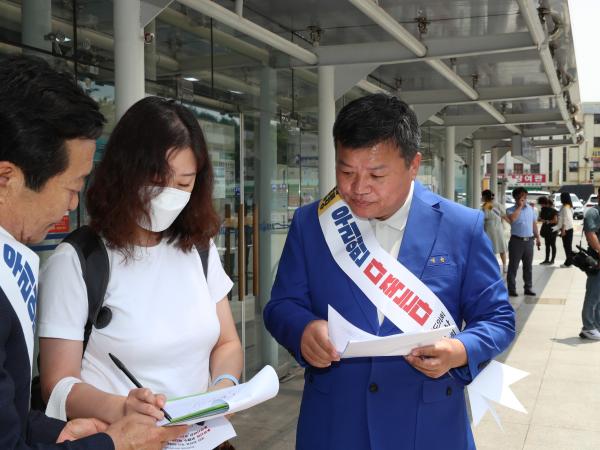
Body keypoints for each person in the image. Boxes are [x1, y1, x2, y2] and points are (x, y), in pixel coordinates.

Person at [263, 94, 515, 450]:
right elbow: (280, 305)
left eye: (377, 174)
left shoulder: (461, 226)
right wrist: (303, 330)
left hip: (429, 427)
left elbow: (498, 319)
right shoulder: (312, 223)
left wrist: (458, 350)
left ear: (413, 165)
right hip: (335, 425)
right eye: (346, 172)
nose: (358, 188)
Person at [0, 55, 185, 449]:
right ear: (6, 179)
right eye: (70, 187)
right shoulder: (72, 260)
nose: (71, 205)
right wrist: (116, 444)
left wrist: (57, 432)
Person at [37, 97, 243, 437]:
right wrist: (122, 408)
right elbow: (57, 385)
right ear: (124, 173)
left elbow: (228, 343)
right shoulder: (79, 260)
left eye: (183, 183)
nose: (168, 195)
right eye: (157, 180)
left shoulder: (198, 248)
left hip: (200, 440)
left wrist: (222, 388)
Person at [506, 187, 541, 297]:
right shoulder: (510, 210)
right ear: (516, 198)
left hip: (529, 241)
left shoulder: (531, 209)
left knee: (528, 266)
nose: (524, 199)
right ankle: (512, 289)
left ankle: (528, 287)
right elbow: (512, 219)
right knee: (513, 267)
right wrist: (520, 207)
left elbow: (534, 224)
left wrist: (538, 237)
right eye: (521, 197)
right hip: (516, 241)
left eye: (525, 196)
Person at [581, 186, 600, 340]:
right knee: (593, 293)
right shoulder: (594, 212)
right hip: (596, 259)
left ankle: (597, 325)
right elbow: (590, 233)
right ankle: (588, 327)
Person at [481, 189, 508, 273]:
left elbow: (483, 217)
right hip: (498, 227)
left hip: (489, 227)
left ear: (485, 197)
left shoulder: (485, 206)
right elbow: (504, 214)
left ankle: (494, 267)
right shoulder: (497, 205)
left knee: (492, 248)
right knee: (501, 248)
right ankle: (504, 266)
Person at [538, 196, 558, 265]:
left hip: (553, 230)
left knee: (552, 245)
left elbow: (555, 220)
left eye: (542, 204)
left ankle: (552, 260)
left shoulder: (553, 211)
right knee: (547, 245)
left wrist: (547, 221)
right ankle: (547, 259)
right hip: (546, 230)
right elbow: (540, 219)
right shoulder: (543, 210)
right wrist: (542, 220)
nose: (541, 205)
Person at [557, 191, 574, 268]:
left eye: (561, 197)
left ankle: (569, 263)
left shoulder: (566, 207)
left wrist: (563, 230)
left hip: (567, 229)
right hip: (567, 229)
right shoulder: (566, 206)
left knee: (567, 246)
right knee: (567, 246)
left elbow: (566, 219)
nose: (560, 198)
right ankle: (568, 261)